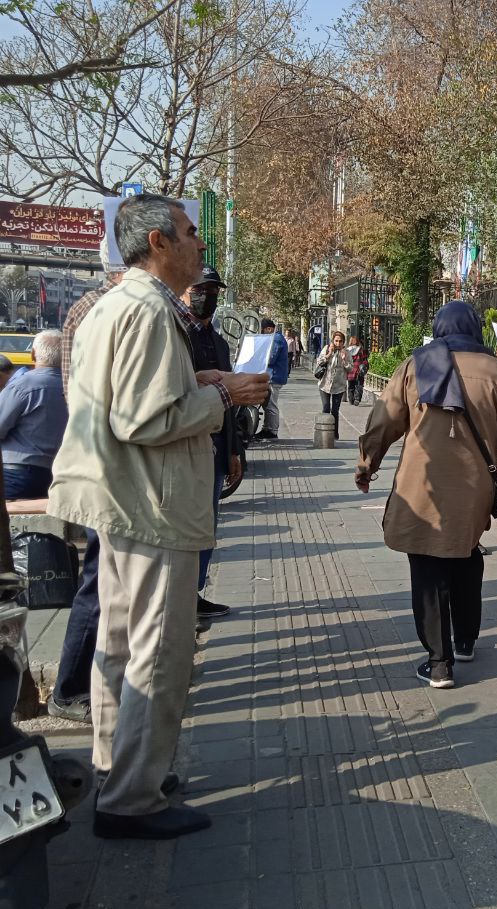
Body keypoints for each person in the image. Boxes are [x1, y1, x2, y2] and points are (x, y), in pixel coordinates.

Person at [47, 192, 269, 839]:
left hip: (123, 501)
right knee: (155, 654)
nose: (202, 243)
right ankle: (133, 798)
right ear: (159, 244)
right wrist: (223, 392)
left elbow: (133, 400)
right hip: (153, 505)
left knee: (118, 648)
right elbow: (144, 418)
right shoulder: (146, 312)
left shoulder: (116, 305)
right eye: (191, 232)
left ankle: (123, 772)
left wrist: (199, 384)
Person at [355, 300, 497, 688]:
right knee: (467, 555)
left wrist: (367, 463)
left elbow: (383, 421)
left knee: (428, 566)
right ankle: (466, 639)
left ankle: (439, 663)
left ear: (438, 328)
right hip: (474, 489)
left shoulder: (415, 365)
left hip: (423, 487)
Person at [46, 245, 125, 725]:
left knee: (107, 585)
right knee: (99, 584)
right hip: (106, 466)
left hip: (108, 464)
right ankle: (71, 688)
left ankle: (92, 685)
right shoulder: (99, 309)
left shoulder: (96, 308)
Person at [183, 265, 240, 620]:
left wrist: (234, 450)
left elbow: (229, 400)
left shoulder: (218, 342)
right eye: (202, 289)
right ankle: (182, 596)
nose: (209, 297)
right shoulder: (178, 336)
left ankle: (196, 593)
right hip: (187, 446)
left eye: (214, 291)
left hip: (218, 447)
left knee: (208, 527)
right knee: (188, 526)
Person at [0, 331, 67, 499]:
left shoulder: (23, 385)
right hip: (59, 477)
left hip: (16, 474)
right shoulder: (76, 388)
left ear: (33, 354)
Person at [256, 318, 290, 441]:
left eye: (263, 331)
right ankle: (266, 428)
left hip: (273, 376)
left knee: (271, 404)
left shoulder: (276, 339)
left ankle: (272, 430)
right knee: (267, 404)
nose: (262, 334)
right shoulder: (276, 338)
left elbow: (270, 358)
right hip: (272, 376)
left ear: (269, 329)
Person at [316, 329, 353, 439]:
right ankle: (324, 432)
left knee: (335, 410)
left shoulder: (346, 352)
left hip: (339, 386)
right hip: (325, 384)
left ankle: (334, 433)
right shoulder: (327, 348)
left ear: (343, 342)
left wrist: (344, 360)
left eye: (340, 341)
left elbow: (350, 368)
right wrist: (328, 354)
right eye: (336, 341)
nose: (338, 343)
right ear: (333, 340)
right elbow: (319, 362)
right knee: (326, 407)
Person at [346, 332, 369, 406]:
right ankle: (357, 399)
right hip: (359, 370)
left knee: (350, 386)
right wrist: (365, 367)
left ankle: (351, 399)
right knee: (359, 385)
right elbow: (365, 360)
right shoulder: (361, 350)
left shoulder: (347, 351)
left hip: (350, 371)